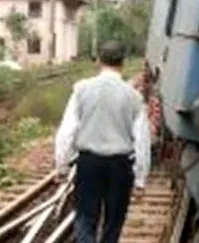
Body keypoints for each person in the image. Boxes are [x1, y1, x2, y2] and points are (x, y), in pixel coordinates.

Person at [54, 41, 151, 243]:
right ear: (122, 63)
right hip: (120, 167)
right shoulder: (134, 97)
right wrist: (140, 179)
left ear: (98, 61)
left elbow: (67, 132)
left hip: (89, 164)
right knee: (113, 223)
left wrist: (61, 166)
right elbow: (142, 140)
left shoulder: (81, 90)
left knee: (85, 219)